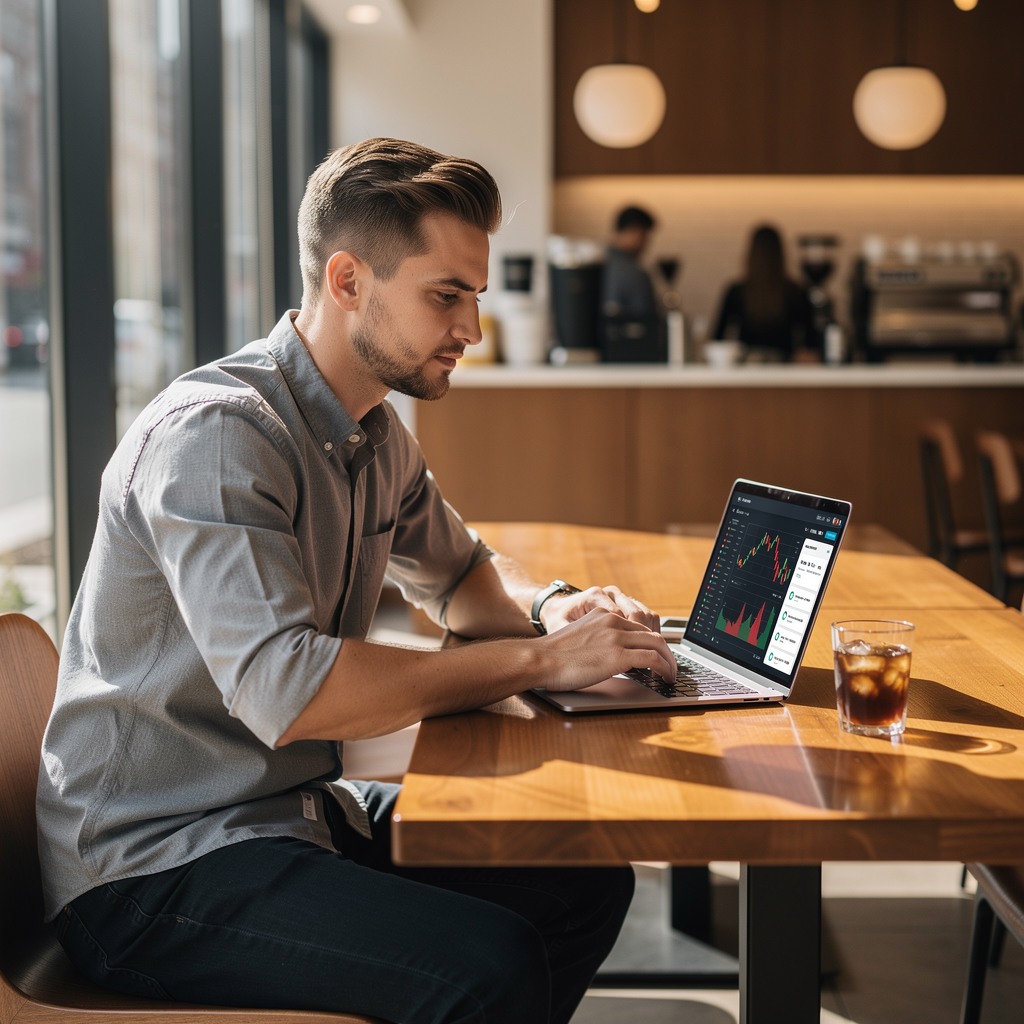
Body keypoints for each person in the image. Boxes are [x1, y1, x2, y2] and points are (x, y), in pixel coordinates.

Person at [36, 138, 676, 1024]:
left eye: (475, 298)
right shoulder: (220, 436)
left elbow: (459, 580)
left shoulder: (373, 432)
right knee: (488, 968)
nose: (472, 330)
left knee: (583, 879)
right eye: (445, 296)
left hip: (283, 813)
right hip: (153, 866)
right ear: (348, 281)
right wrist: (543, 662)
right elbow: (293, 694)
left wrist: (551, 607)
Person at [711, 223, 817, 362]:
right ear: (780, 253)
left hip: (746, 367)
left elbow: (717, 337)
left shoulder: (736, 291)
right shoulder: (795, 291)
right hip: (786, 368)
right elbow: (811, 339)